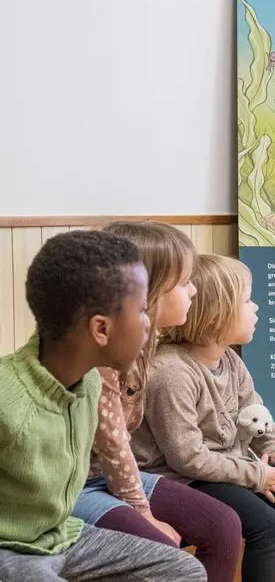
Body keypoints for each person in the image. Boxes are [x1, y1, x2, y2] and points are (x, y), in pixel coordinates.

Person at [0, 230, 206, 581]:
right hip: (11, 550)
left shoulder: (90, 383)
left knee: (183, 571)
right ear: (101, 329)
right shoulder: (9, 398)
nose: (149, 324)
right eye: (142, 311)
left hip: (63, 537)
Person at [134, 253, 275, 581]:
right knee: (264, 524)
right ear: (216, 315)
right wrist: (256, 474)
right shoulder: (171, 373)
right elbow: (187, 459)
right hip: (183, 480)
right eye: (247, 301)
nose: (256, 308)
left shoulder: (231, 361)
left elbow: (257, 416)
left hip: (229, 472)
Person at [70, 221, 240, 582]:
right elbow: (114, 445)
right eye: (184, 282)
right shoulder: (100, 355)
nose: (194, 290)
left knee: (222, 524)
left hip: (109, 476)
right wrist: (143, 512)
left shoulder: (144, 342)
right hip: (72, 487)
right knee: (163, 552)